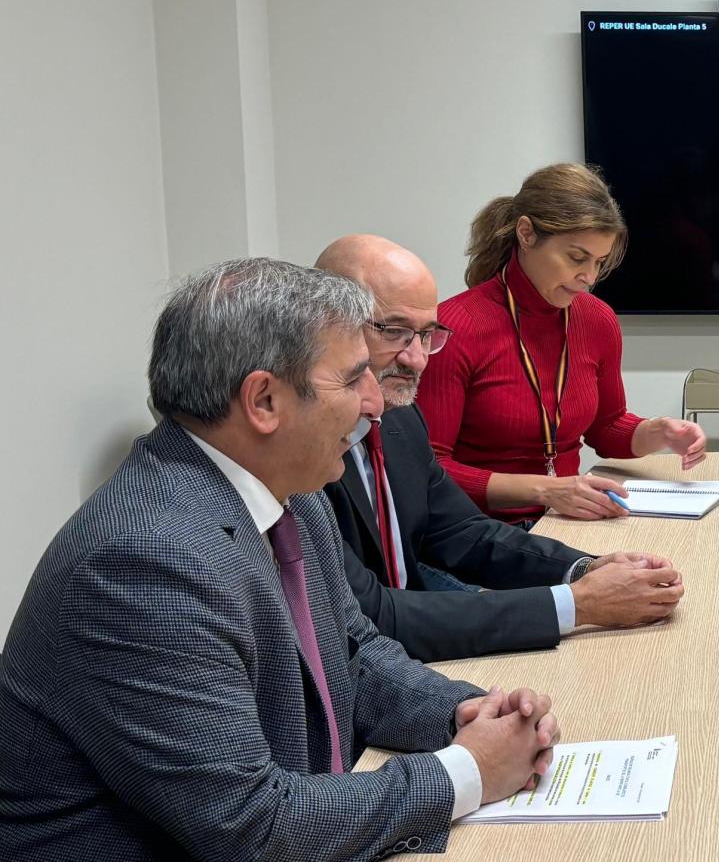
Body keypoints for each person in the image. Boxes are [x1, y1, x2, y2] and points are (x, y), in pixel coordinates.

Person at [0, 259, 561, 859]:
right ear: (263, 400)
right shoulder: (143, 564)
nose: (375, 402)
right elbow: (250, 828)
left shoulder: (288, 490)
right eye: (352, 380)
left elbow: (354, 654)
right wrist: (466, 773)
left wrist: (461, 714)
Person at [314, 235, 684, 662]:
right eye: (394, 331)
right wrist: (578, 604)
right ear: (326, 328)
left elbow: (460, 532)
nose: (417, 359)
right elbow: (376, 617)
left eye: (427, 334)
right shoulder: (305, 451)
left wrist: (584, 570)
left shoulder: (397, 416)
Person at [418, 162, 708, 523]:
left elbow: (606, 427)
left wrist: (658, 432)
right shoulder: (455, 328)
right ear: (526, 234)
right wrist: (545, 490)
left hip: (567, 518)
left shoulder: (596, 319)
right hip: (479, 531)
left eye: (599, 262)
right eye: (576, 258)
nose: (588, 277)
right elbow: (428, 471)